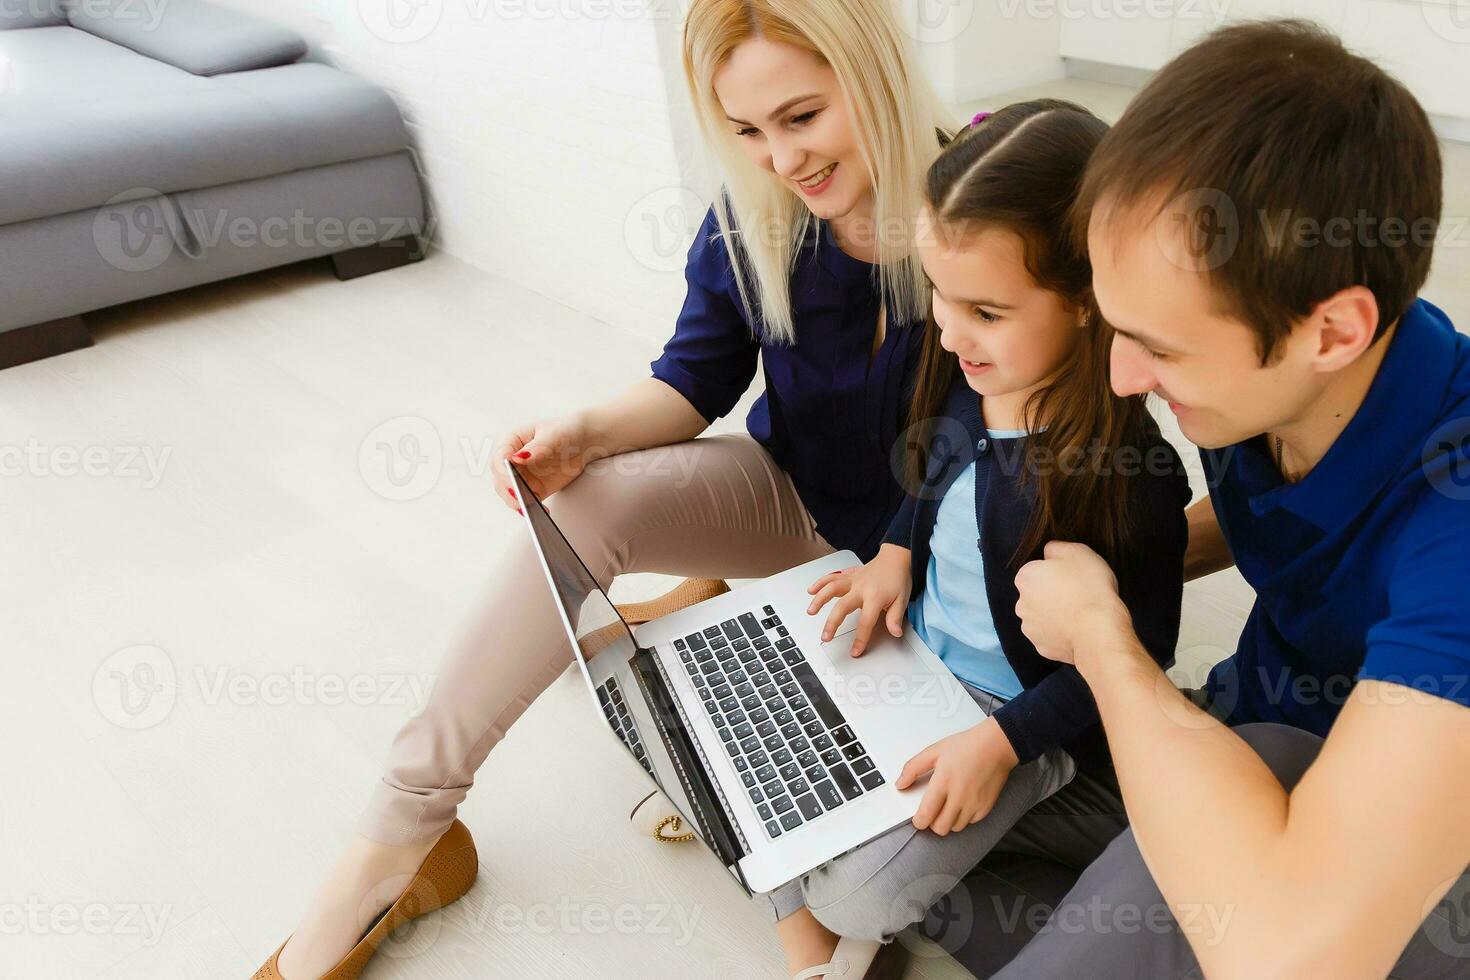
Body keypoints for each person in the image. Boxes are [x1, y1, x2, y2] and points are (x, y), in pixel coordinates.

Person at [254, 0, 955, 977]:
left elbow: (1015, 434)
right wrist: (583, 432)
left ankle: (728, 672)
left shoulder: (987, 200)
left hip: (936, 557)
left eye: (801, 117)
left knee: (784, 751)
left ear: (872, 75)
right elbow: (693, 380)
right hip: (797, 504)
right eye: (746, 131)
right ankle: (399, 832)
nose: (781, 158)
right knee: (582, 500)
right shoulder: (755, 215)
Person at [999, 20, 1470, 978]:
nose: (1124, 376)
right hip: (1246, 719)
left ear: (1332, 331)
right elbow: (1297, 526)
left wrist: (1103, 641)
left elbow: (1290, 956)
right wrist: (1144, 558)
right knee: (918, 809)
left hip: (1372, 826)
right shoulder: (1281, 383)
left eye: (1162, 349)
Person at [765, 99, 1191, 979]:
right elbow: (932, 478)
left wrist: (1003, 748)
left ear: (1087, 300)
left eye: (986, 311)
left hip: (1019, 723)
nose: (950, 332)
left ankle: (853, 915)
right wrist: (894, 552)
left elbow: (1136, 658)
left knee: (854, 894)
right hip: (915, 663)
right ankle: (817, 931)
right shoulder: (971, 376)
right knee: (748, 744)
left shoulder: (1128, 478)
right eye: (940, 298)